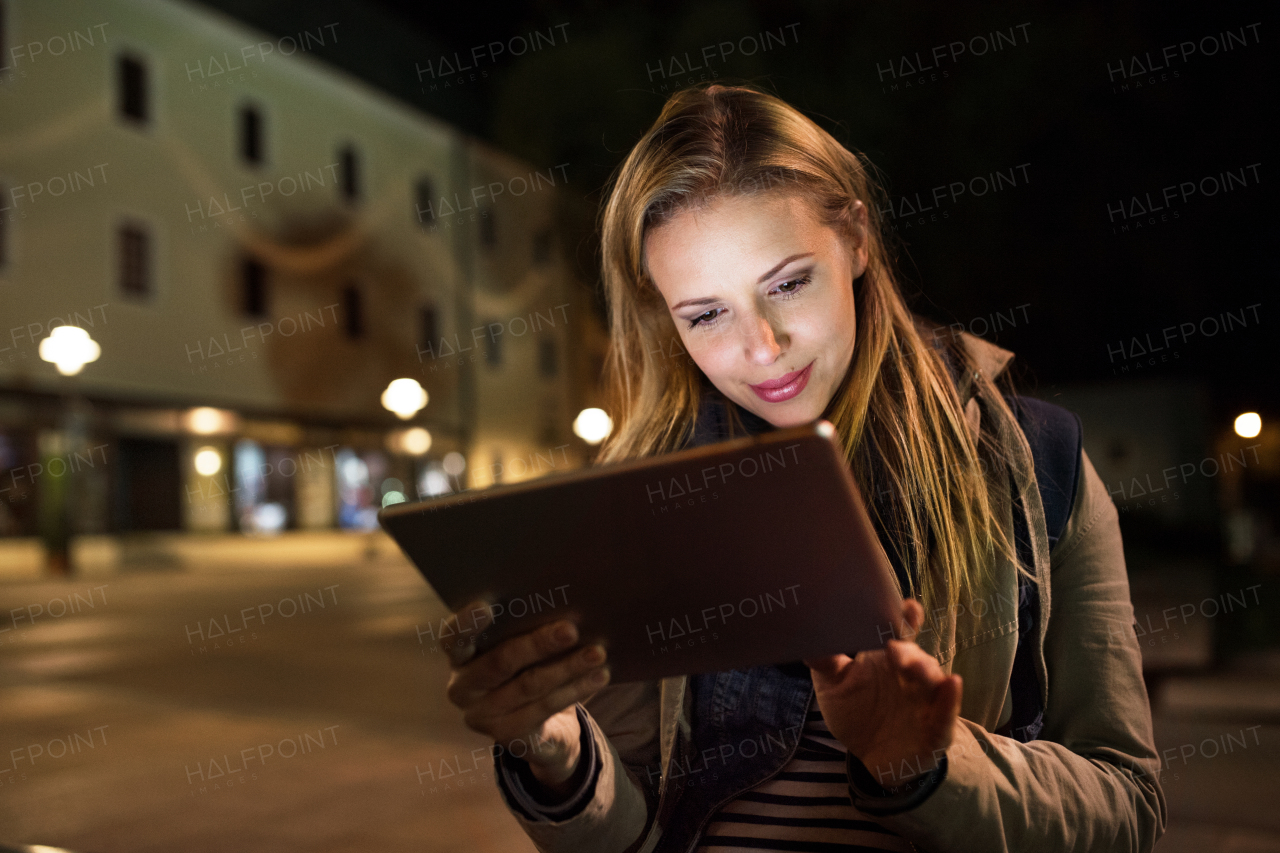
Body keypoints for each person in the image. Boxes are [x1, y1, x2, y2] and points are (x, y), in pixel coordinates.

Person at [440, 82, 1167, 853]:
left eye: (788, 283)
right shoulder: (642, 495)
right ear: (665, 314)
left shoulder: (1037, 466)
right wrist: (561, 755)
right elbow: (636, 835)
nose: (763, 346)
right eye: (707, 314)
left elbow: (1127, 807)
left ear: (855, 236)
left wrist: (929, 763)